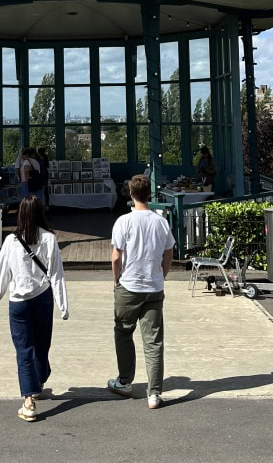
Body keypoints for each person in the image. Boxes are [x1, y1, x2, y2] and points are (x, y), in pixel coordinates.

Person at [0, 194, 68, 422]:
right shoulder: (49, 239)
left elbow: (3, 271)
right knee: (43, 343)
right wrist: (63, 305)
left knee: (24, 349)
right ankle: (39, 380)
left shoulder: (11, 241)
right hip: (42, 297)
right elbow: (56, 274)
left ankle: (29, 399)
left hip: (18, 301)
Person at [108, 174, 176, 409]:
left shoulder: (123, 222)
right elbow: (168, 254)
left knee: (123, 333)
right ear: (150, 193)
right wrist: (162, 274)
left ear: (130, 193)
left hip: (129, 285)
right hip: (154, 286)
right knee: (154, 341)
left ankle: (125, 380)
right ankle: (154, 393)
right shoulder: (160, 222)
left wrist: (116, 278)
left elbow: (117, 255)